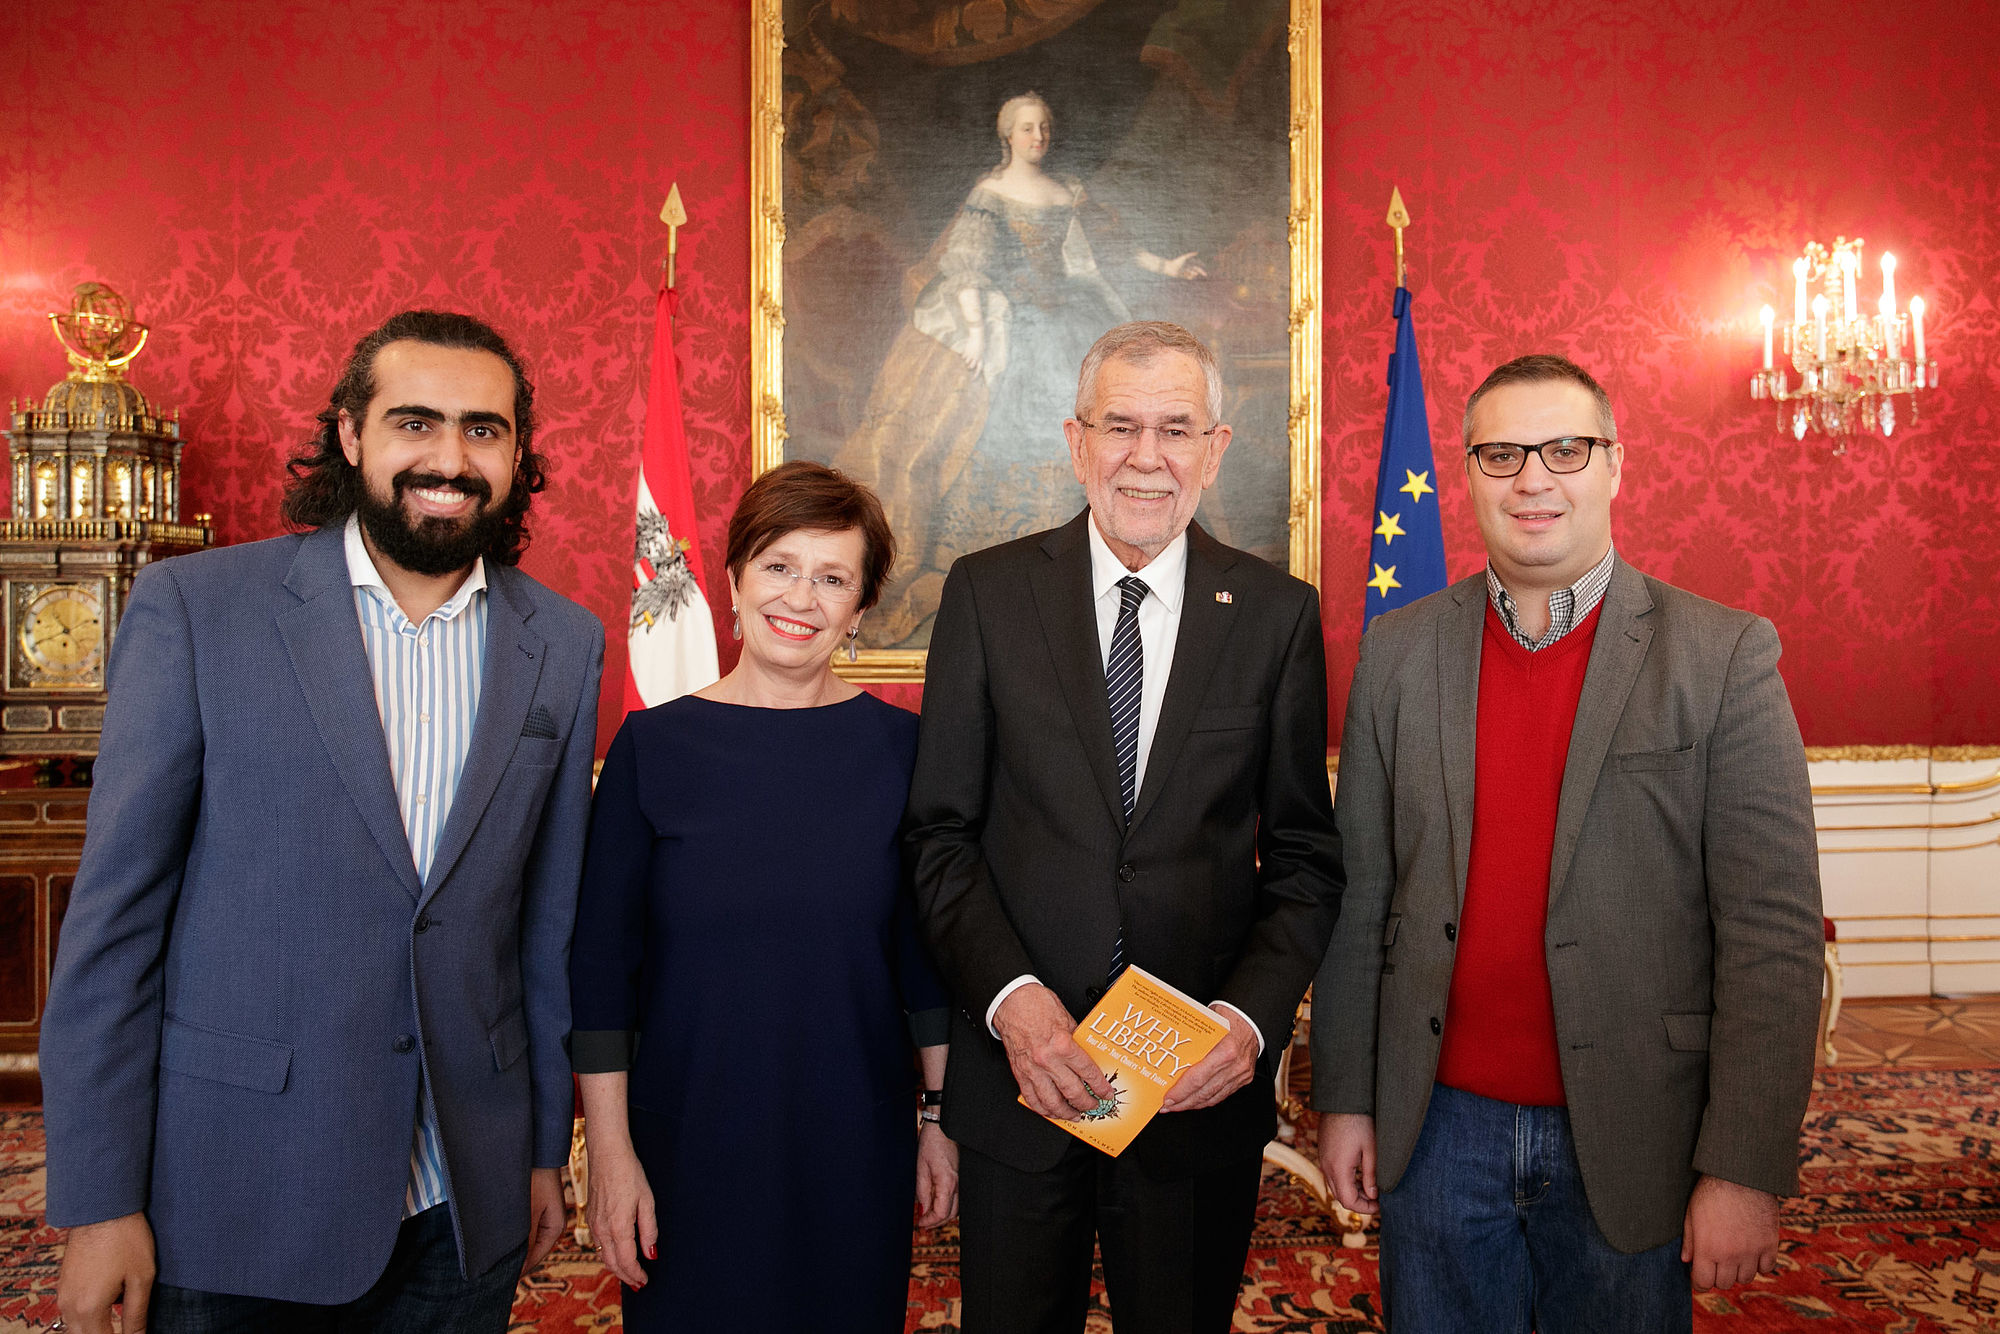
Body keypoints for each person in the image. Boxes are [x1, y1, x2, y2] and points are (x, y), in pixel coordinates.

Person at [40, 309, 605, 1333]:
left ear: (519, 451)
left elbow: (544, 928)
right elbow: (114, 928)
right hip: (237, 1190)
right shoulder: (197, 609)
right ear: (350, 433)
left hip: (458, 1198)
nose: (450, 459)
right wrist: (99, 1199)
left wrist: (535, 1151)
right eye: (415, 422)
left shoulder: (564, 643)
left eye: (483, 429)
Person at [1312, 354, 1824, 1331]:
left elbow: (1772, 933)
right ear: (1468, 473)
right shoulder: (1398, 651)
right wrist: (1344, 1098)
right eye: (1501, 454)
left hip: (1637, 1127)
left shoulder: (1722, 654)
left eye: (1564, 449)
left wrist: (1743, 1166)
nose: (1532, 479)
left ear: (1615, 464)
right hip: (1436, 1127)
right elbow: (1360, 894)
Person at [907, 321, 1344, 1332]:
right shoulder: (987, 592)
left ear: (1215, 448)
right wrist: (1012, 1003)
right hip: (1021, 1080)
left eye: (1176, 429)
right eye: (1120, 426)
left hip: (1192, 1094)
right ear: (1076, 441)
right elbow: (939, 835)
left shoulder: (1276, 614)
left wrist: (1246, 1021)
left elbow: (1304, 858)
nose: (1147, 457)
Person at [570, 459, 957, 1331]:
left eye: (833, 578)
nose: (801, 597)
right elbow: (600, 975)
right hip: (686, 1138)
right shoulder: (651, 750)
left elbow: (924, 962)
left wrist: (939, 1120)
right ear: (734, 579)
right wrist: (612, 1156)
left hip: (855, 1136)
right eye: (779, 566)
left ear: (860, 609)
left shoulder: (905, 751)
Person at [838, 92, 1205, 646]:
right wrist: (977, 332)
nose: (1038, 137)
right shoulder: (991, 194)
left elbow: (1110, 249)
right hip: (1011, 325)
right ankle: (1002, 570)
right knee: (973, 426)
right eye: (1028, 128)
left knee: (1099, 421)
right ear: (1007, 135)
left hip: (1069, 320)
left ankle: (1073, 570)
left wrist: (1168, 265)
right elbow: (966, 266)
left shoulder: (1067, 192)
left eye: (1044, 127)